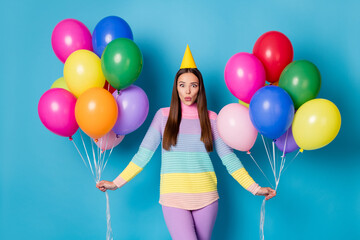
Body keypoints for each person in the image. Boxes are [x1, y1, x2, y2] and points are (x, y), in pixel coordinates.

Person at [96, 45, 276, 240]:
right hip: (173, 199)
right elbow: (143, 155)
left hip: (207, 198)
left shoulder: (212, 118)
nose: (188, 91)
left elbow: (229, 160)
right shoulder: (163, 117)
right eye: (182, 85)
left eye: (193, 85)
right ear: (176, 88)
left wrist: (255, 188)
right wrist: (116, 183)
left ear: (200, 88)